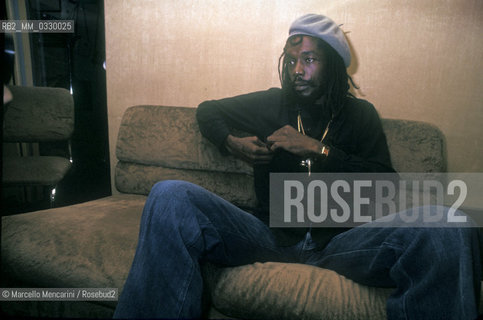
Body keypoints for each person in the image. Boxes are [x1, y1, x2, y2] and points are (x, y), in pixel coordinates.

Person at [114, 14, 481, 319]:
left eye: (309, 60)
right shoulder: (273, 104)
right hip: (269, 235)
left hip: (341, 243)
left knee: (447, 223)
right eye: (291, 61)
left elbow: (386, 185)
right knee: (169, 194)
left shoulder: (359, 115)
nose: (296, 71)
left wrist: (320, 150)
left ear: (333, 65)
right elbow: (208, 109)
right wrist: (233, 144)